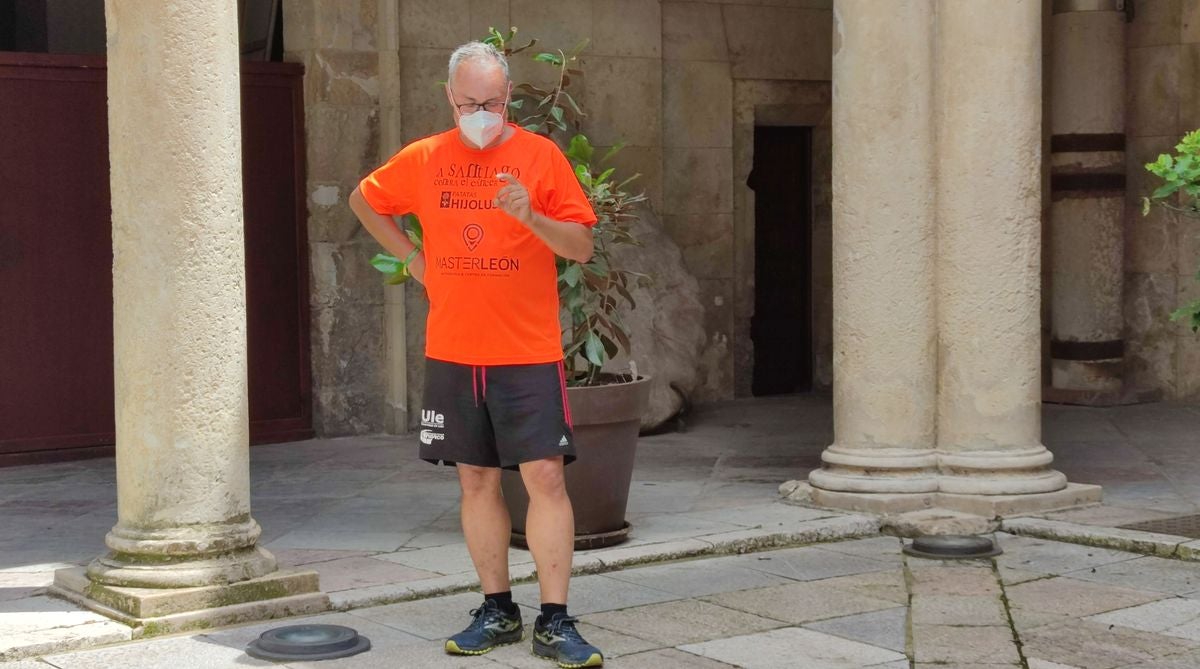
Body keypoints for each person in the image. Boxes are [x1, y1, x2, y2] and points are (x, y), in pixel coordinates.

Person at [348, 41, 603, 668]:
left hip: (527, 349)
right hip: (455, 349)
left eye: (491, 102)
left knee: (545, 477)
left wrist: (532, 216)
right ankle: (497, 608)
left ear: (509, 97)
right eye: (468, 102)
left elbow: (583, 248)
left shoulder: (540, 157)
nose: (479, 112)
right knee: (475, 479)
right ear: (450, 98)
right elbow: (364, 200)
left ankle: (555, 619)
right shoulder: (426, 157)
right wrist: (414, 260)